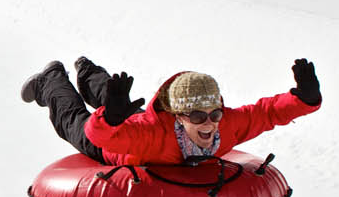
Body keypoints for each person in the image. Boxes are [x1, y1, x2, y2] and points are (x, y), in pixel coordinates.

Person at [20, 55, 321, 166]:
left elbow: (263, 113)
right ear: (178, 116)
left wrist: (303, 99)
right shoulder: (151, 137)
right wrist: (109, 120)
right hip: (114, 145)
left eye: (215, 114)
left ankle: (87, 71)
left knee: (117, 102)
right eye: (198, 117)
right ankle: (52, 79)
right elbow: (98, 135)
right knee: (75, 120)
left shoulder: (224, 125)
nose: (210, 124)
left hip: (128, 123)